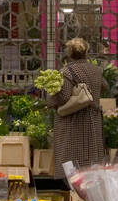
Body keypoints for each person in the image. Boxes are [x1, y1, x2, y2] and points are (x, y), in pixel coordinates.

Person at [45, 38, 106, 183]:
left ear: (68, 53)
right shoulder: (97, 71)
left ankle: (75, 199)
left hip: (72, 125)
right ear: (87, 53)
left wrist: (50, 92)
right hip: (92, 122)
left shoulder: (65, 72)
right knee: (90, 168)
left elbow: (62, 98)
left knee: (72, 168)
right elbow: (104, 87)